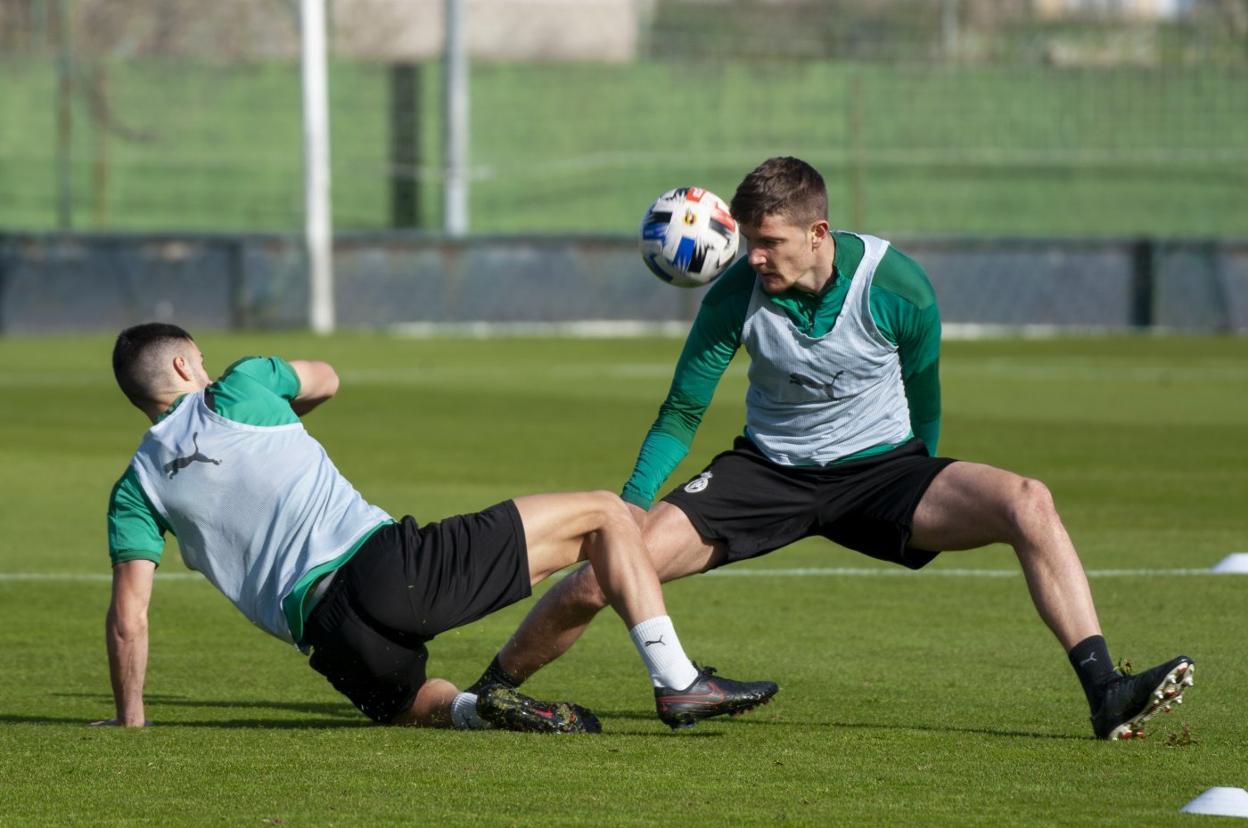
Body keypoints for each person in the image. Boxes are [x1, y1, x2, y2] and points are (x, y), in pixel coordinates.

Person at [467, 156, 1194, 741]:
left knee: (1028, 502)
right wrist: (628, 509)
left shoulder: (896, 284)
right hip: (765, 473)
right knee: (602, 573)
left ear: (819, 233)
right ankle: (489, 693)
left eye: (769, 243)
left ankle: (1106, 691)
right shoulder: (734, 296)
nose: (752, 257)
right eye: (747, 240)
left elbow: (925, 393)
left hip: (884, 474)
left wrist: (916, 483)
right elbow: (682, 410)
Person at [99, 323, 777, 733]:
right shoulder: (241, 386)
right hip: (388, 568)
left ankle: (475, 709)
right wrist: (283, 410)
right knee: (605, 513)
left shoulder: (135, 487)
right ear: (188, 366)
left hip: (329, 641)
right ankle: (676, 678)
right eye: (202, 362)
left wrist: (132, 717)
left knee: (409, 706)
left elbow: (130, 615)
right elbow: (327, 379)